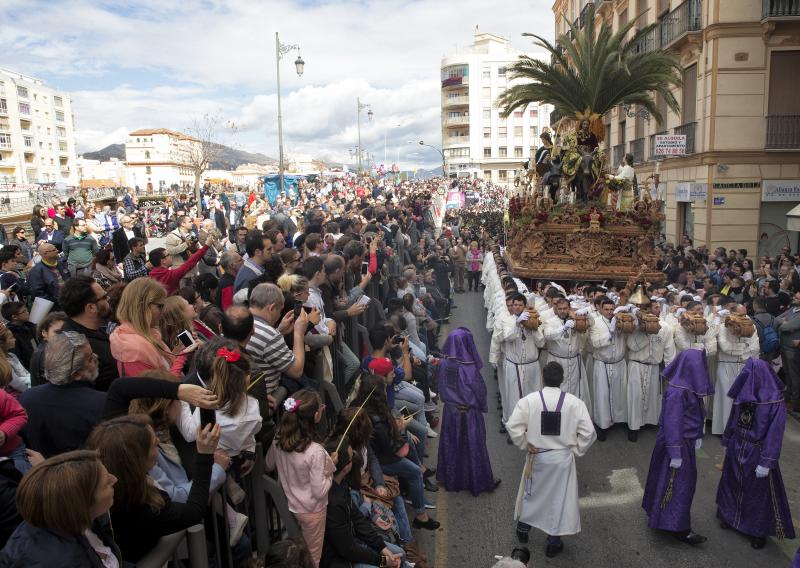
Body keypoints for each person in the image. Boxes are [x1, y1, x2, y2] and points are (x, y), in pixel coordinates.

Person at [86, 414, 221, 563]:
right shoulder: (141, 508)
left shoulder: (110, 485)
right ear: (137, 459)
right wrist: (205, 456)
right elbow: (194, 512)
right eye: (154, 445)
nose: (158, 442)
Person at [506, 361, 596, 558]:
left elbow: (513, 426)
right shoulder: (575, 403)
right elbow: (589, 433)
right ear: (562, 380)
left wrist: (524, 443)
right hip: (562, 459)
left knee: (532, 494)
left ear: (542, 377)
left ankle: (523, 529)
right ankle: (552, 543)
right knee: (558, 501)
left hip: (537, 456)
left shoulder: (530, 400)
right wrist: (575, 450)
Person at [715, 358, 795, 549]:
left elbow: (775, 434)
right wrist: (727, 441)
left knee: (757, 493)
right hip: (737, 446)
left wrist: (767, 461)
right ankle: (729, 516)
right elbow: (733, 420)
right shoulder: (743, 394)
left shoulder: (775, 402)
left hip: (757, 452)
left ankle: (756, 530)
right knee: (732, 483)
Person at [0, 450, 121, 567]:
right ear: (81, 503)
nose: (114, 479)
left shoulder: (72, 519)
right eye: (106, 483)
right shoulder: (66, 562)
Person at [641, 349, 711, 545]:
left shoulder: (686, 387)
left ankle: (662, 517)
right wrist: (675, 451)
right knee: (680, 485)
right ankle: (680, 528)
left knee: (668, 482)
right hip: (677, 444)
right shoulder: (678, 391)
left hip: (683, 442)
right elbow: (672, 422)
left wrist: (697, 434)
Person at [265, 389, 335, 568]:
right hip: (312, 512)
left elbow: (268, 465)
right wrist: (330, 474)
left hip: (288, 505)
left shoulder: (278, 439)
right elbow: (319, 491)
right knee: (311, 558)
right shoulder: (315, 452)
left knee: (295, 551)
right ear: (317, 415)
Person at [320, 437, 405, 568]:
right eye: (351, 457)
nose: (354, 456)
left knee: (399, 553)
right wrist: (382, 561)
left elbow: (358, 519)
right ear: (345, 468)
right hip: (340, 559)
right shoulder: (333, 502)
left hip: (354, 542)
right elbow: (347, 550)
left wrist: (381, 547)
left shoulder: (341, 485)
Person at [436, 327, 499, 495]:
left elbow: (440, 387)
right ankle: (477, 482)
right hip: (469, 413)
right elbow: (480, 393)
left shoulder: (443, 364)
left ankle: (452, 479)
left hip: (451, 412)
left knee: (452, 445)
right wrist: (482, 406)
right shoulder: (468, 368)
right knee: (473, 447)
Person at [109, 278, 194, 376]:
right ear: (143, 307)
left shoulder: (148, 334)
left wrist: (178, 351)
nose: (163, 312)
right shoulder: (133, 350)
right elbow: (162, 388)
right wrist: (182, 356)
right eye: (160, 306)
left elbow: (165, 367)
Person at [626, 298, 675, 442]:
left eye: (658, 307)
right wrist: (646, 333)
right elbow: (632, 346)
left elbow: (669, 351)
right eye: (654, 307)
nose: (658, 310)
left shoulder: (665, 327)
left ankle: (649, 422)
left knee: (653, 397)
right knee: (635, 397)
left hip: (654, 367)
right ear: (646, 310)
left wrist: (670, 372)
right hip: (637, 365)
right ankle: (633, 427)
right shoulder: (635, 326)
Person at [59, 275, 119, 391]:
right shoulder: (79, 348)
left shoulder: (93, 331)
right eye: (104, 297)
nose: (108, 299)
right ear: (91, 307)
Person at [712, 305, 760, 435]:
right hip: (726, 365)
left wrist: (739, 351)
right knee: (726, 398)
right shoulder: (723, 327)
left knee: (744, 399)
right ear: (732, 314)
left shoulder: (752, 327)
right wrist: (744, 347)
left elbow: (755, 347)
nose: (743, 318)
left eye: (745, 315)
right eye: (740, 315)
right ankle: (725, 430)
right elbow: (725, 347)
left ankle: (741, 430)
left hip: (744, 367)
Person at [589, 298, 628, 440]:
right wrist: (610, 332)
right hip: (602, 363)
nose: (609, 312)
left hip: (619, 362)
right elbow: (595, 343)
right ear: (600, 308)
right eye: (606, 309)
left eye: (612, 309)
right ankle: (602, 425)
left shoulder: (620, 320)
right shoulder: (595, 322)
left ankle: (618, 420)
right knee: (602, 395)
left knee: (619, 393)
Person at [28, 311, 67, 387]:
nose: (64, 335)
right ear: (44, 333)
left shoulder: (54, 349)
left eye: (67, 331)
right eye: (58, 332)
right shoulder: (48, 355)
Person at [27, 243, 70, 309]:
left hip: (68, 302)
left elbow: (69, 281)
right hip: (54, 308)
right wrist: (56, 301)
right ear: (45, 253)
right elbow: (38, 294)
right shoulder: (36, 271)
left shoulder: (61, 264)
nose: (57, 251)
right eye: (54, 250)